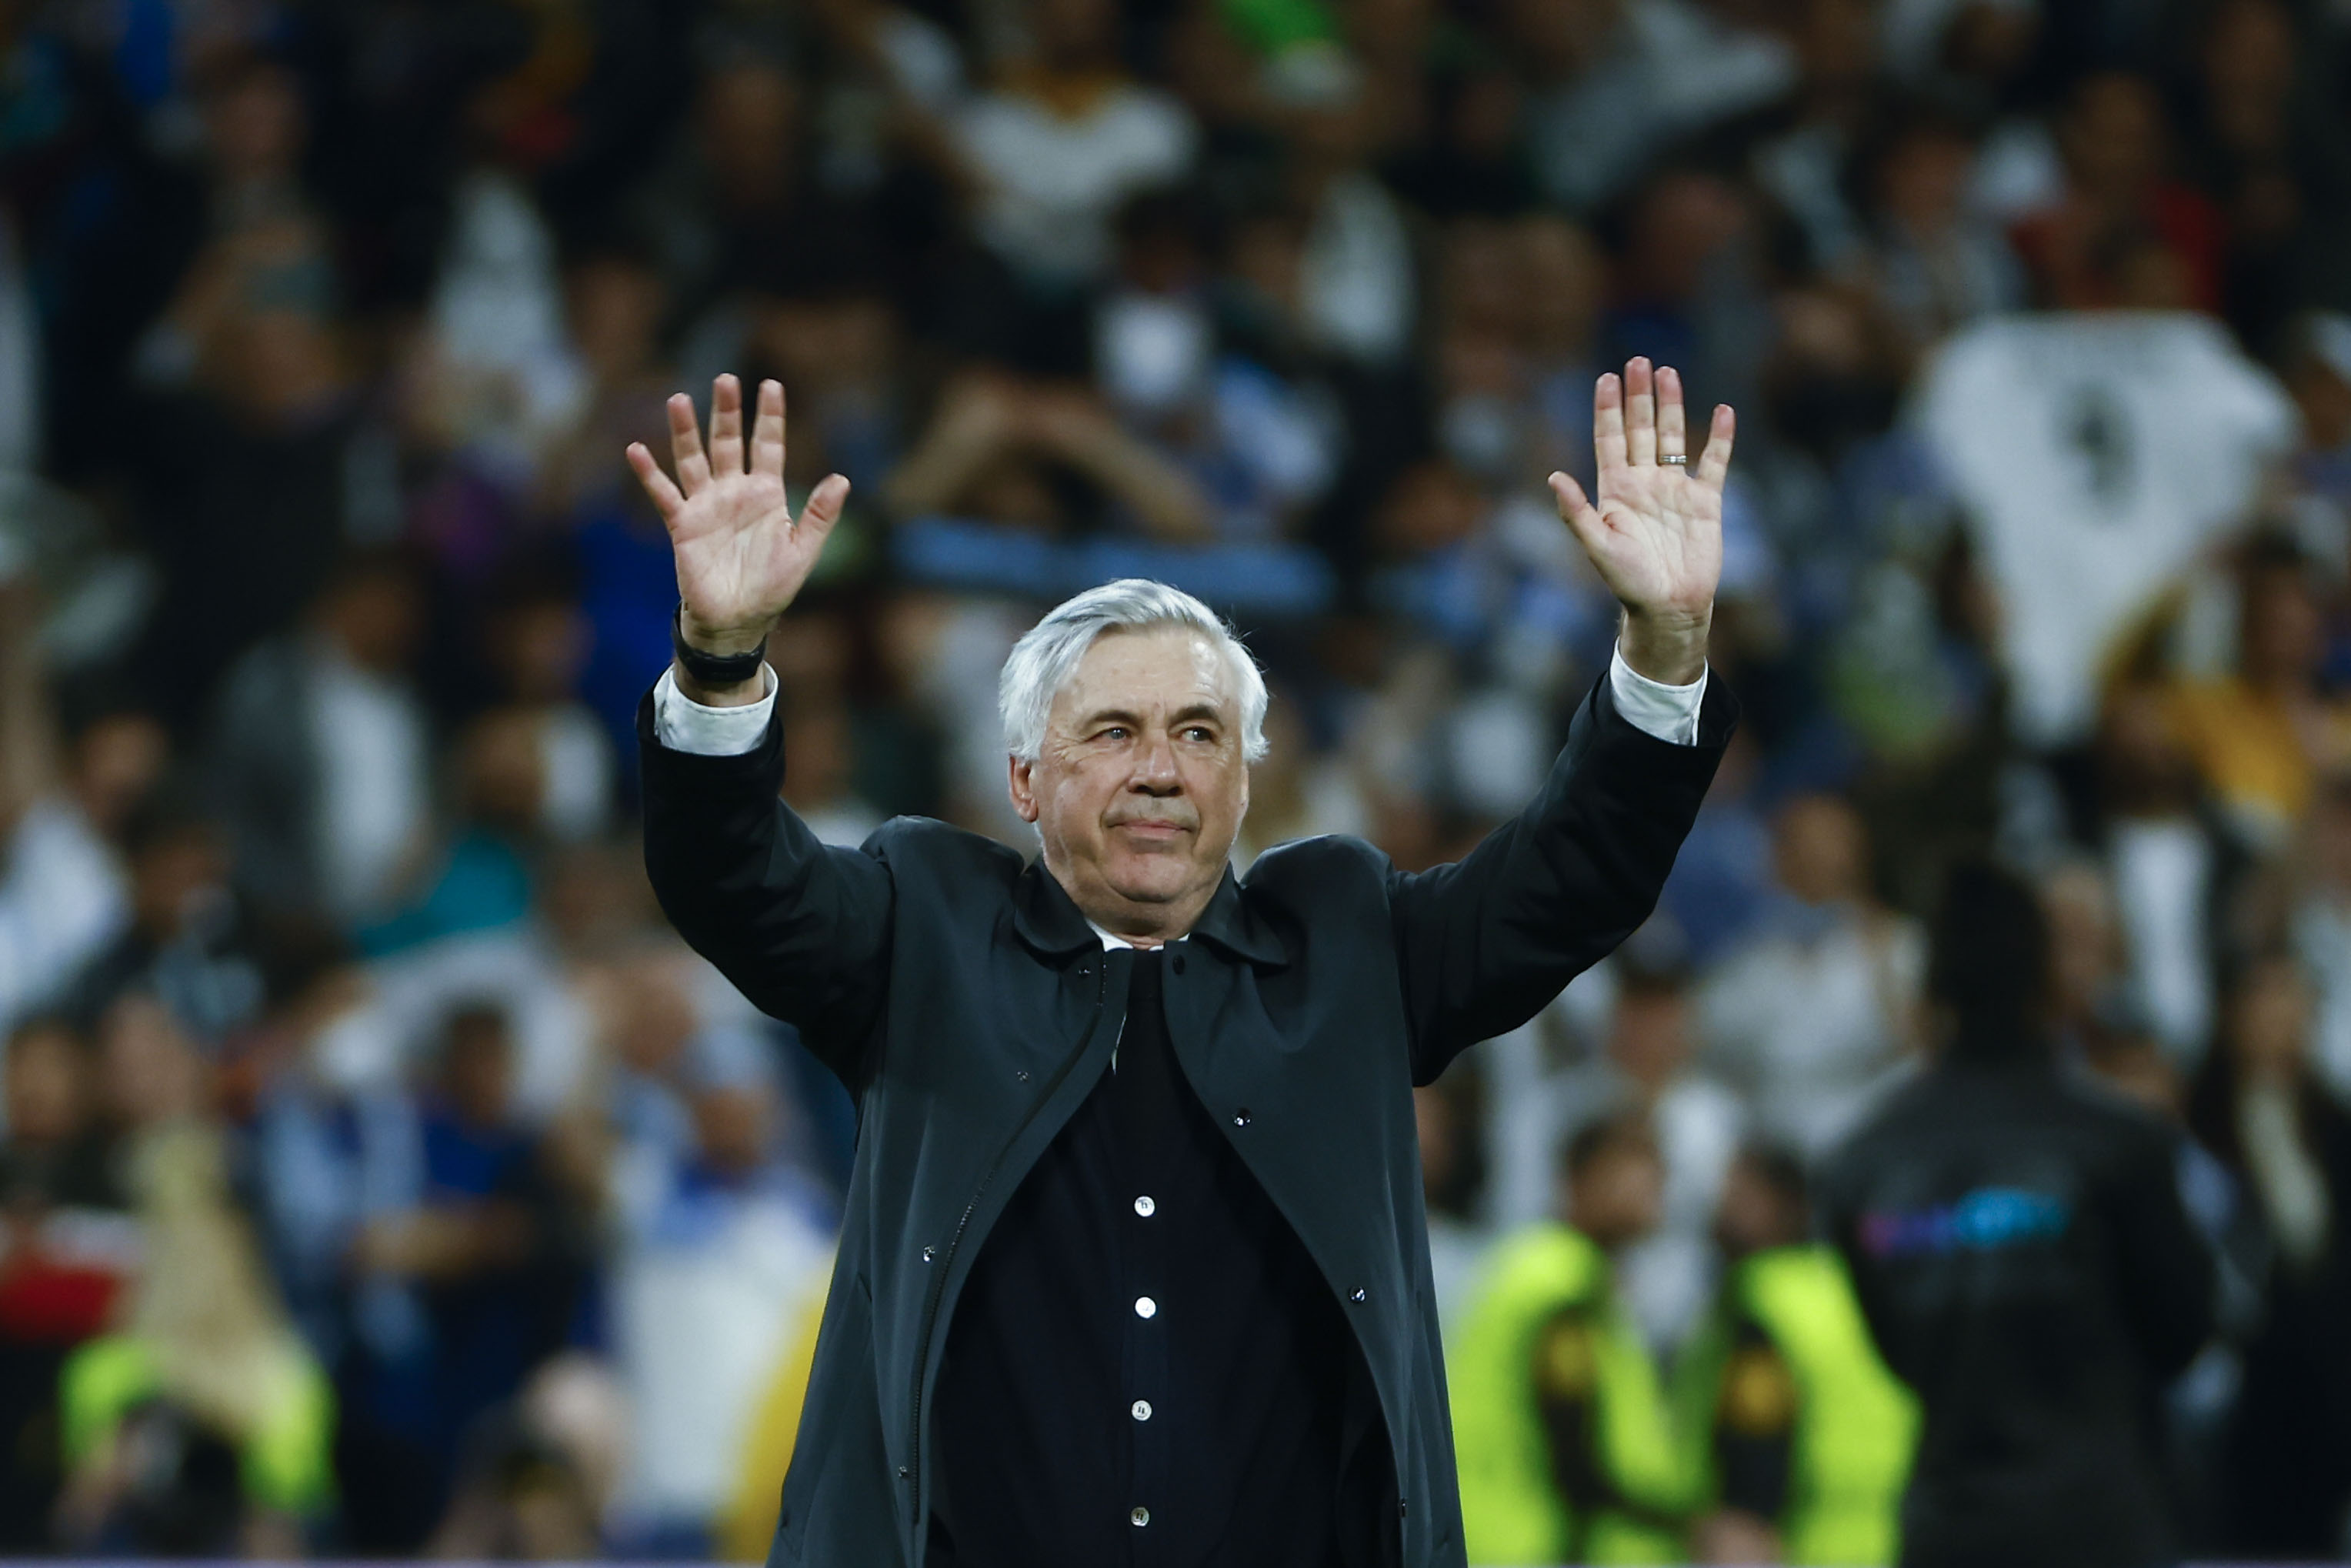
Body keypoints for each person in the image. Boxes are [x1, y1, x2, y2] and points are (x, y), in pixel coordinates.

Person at [626, 358, 1739, 1566]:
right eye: (1113, 731)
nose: (1160, 770)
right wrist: (720, 663)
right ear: (1024, 779)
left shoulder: (1350, 944)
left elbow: (1573, 876)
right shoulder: (923, 926)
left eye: (1198, 734)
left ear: (1243, 783)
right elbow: (734, 879)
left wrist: (1664, 649)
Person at [1818, 860, 2217, 1568]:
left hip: (1949, 1526)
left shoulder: (1861, 1163)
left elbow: (1895, 1352)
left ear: (1931, 984)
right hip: (2100, 1523)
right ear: (2047, 977)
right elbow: (2183, 1332)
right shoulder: (2119, 1143)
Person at [1451, 1110, 1692, 1565]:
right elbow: (1573, 1452)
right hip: (1528, 1545)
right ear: (1579, 1180)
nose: (1653, 1185)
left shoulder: (1560, 1273)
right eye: (1632, 1168)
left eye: (1657, 1169)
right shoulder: (1559, 1285)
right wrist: (1680, 1523)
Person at [1674, 1144, 1916, 1566]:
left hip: (1802, 1541)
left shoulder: (1764, 1293)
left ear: (1787, 1203)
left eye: (1740, 1195)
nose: (1723, 1210)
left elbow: (1756, 1426)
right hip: (1889, 1534)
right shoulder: (1851, 1282)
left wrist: (1744, 1516)